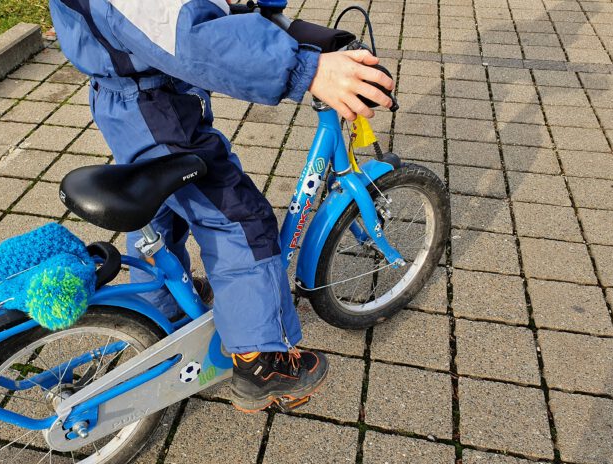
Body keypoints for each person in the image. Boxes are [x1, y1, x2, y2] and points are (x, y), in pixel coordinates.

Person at [48, 0, 395, 412]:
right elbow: (187, 34)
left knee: (166, 209)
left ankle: (169, 310)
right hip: (158, 106)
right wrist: (308, 69)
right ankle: (261, 362)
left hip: (128, 96)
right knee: (241, 219)